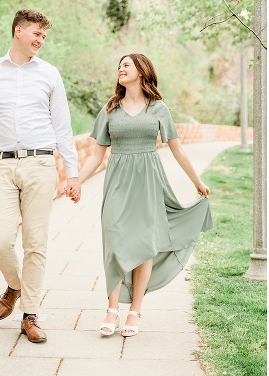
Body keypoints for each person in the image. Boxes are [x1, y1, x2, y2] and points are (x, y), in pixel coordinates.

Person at [76, 53, 212, 337]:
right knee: (114, 239)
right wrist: (77, 180)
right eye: (119, 65)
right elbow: (95, 155)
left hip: (149, 182)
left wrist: (197, 181)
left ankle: (135, 309)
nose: (120, 69)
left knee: (145, 245)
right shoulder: (110, 109)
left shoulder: (158, 108)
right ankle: (112, 307)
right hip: (117, 183)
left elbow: (177, 149)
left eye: (126, 65)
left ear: (141, 70)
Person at [0, 8, 81, 344]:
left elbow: (63, 126)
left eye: (44, 36)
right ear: (18, 30)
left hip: (41, 165)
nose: (40, 40)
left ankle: (30, 315)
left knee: (36, 243)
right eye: (36, 33)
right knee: (0, 240)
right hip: (1, 166)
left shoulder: (49, 74)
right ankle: (14, 286)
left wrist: (72, 172)